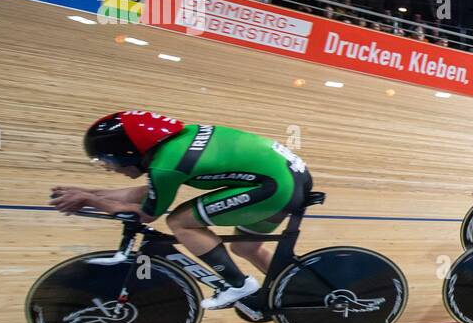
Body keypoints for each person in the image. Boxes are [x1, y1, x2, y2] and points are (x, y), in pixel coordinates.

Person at [51, 110, 312, 310]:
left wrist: (93, 201)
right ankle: (304, 290)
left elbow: (147, 213)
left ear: (127, 152)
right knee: (245, 248)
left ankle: (239, 285)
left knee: (180, 221)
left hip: (275, 187)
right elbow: (147, 192)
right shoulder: (173, 146)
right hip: (289, 179)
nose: (109, 168)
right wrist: (88, 193)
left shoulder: (166, 166)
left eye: (107, 161)